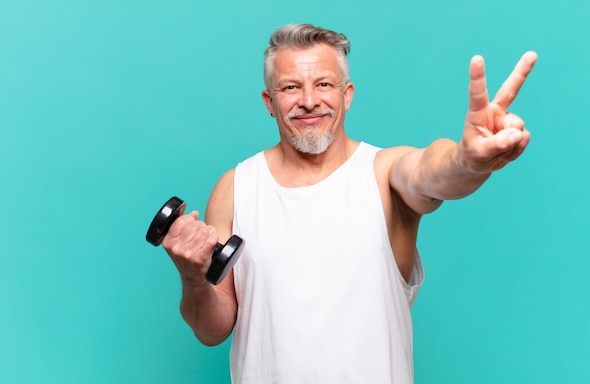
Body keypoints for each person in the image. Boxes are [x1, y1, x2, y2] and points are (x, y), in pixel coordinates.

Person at [161, 24, 537, 383]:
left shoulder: (384, 173)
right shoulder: (235, 187)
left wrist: (466, 162)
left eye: (324, 84)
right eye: (291, 87)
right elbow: (212, 330)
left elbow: (433, 171)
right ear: (270, 102)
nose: (309, 101)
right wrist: (192, 277)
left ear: (348, 94)